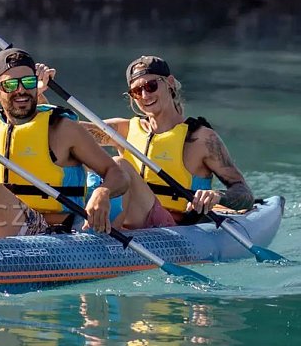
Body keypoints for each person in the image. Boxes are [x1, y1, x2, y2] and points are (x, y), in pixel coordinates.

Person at [0, 47, 128, 238]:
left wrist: (103, 192)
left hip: (49, 229)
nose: (21, 90)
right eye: (11, 85)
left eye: (28, 82)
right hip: (1, 221)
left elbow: (118, 175)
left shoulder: (63, 129)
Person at [81, 55, 255, 228]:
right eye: (136, 91)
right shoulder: (124, 131)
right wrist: (51, 92)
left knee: (119, 164)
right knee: (77, 155)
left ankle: (104, 236)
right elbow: (69, 131)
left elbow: (244, 194)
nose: (145, 95)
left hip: (171, 226)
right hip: (130, 219)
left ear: (169, 82)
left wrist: (217, 196)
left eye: (151, 86)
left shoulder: (201, 139)